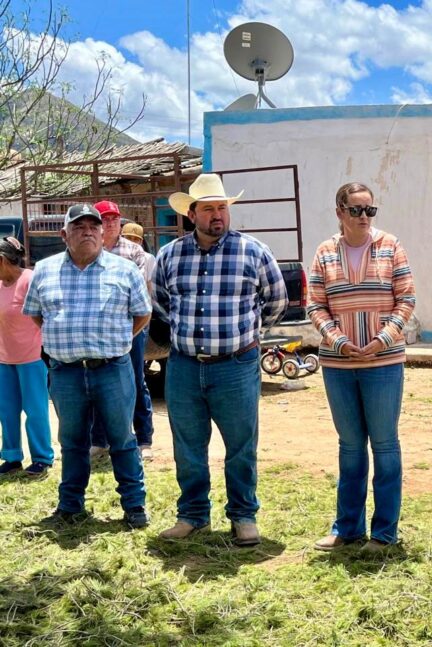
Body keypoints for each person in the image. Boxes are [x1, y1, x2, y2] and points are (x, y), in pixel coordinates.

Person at [153, 173, 287, 546]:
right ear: (191, 214)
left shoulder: (254, 252)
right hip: (183, 367)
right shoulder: (170, 255)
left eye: (222, 208)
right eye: (209, 208)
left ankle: (243, 516)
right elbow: (161, 303)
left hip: (236, 366)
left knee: (241, 445)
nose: (217, 215)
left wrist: (245, 335)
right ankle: (193, 515)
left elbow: (276, 302)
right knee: (188, 445)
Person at [22, 204, 151, 528]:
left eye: (94, 226)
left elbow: (142, 314)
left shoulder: (124, 270)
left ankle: (134, 506)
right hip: (65, 372)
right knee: (73, 441)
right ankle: (70, 505)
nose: (88, 232)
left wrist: (114, 342)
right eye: (79, 227)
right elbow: (36, 313)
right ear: (64, 234)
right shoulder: (45, 270)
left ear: (103, 231)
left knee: (122, 439)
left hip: (112, 369)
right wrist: (65, 341)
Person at [308, 182, 416, 554]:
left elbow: (407, 298)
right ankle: (347, 528)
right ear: (339, 212)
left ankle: (384, 533)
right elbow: (315, 305)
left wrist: (382, 340)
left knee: (385, 445)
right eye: (356, 210)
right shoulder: (325, 252)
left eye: (370, 210)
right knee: (350, 447)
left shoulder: (391, 246)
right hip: (338, 364)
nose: (364, 218)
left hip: (383, 362)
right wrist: (338, 340)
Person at [89, 201, 154, 462]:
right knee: (98, 382)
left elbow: (134, 289)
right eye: (105, 219)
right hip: (98, 329)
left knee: (135, 379)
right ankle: (99, 441)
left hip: (132, 327)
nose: (111, 223)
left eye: (115, 218)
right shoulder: (88, 251)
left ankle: (144, 439)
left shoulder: (135, 251)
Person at [0, 236, 54, 478]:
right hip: (4, 359)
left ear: (2, 260)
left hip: (32, 358)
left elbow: (46, 316)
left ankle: (42, 458)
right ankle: (11, 457)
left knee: (35, 410)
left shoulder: (30, 280)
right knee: (7, 410)